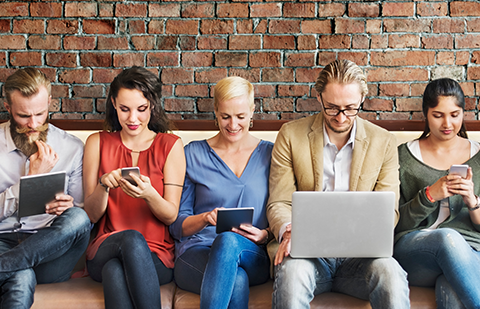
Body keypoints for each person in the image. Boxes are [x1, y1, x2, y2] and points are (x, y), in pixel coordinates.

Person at [267, 59, 409, 309]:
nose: (341, 117)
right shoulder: (290, 135)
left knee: (391, 273)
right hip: (307, 255)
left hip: (361, 258)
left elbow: (389, 210)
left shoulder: (384, 141)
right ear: (319, 98)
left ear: (362, 100)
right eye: (332, 108)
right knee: (291, 275)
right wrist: (289, 230)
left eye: (350, 108)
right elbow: (279, 201)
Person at [83, 67, 186, 309]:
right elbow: (90, 214)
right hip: (105, 246)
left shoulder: (171, 145)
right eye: (124, 109)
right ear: (113, 104)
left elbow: (171, 215)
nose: (132, 119)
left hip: (156, 256)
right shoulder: (97, 142)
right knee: (128, 240)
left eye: (141, 110)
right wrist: (103, 187)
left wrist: (150, 195)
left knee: (115, 271)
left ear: (152, 106)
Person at [170, 76, 273, 309]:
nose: (233, 125)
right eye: (225, 116)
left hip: (251, 253)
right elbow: (177, 225)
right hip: (197, 253)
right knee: (236, 281)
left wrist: (265, 234)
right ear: (215, 111)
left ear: (253, 111)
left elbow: (283, 210)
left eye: (240, 116)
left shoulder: (271, 155)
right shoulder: (193, 154)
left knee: (228, 240)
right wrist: (205, 218)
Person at [0, 68, 91, 308]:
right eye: (23, 116)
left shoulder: (72, 147)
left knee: (79, 218)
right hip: (2, 241)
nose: (33, 124)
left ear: (50, 102)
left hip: (51, 252)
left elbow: (81, 212)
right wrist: (33, 178)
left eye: (40, 113)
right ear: (8, 108)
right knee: (21, 276)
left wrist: (67, 205)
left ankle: (5, 265)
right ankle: (11, 265)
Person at [394, 78, 480, 309]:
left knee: (450, 288)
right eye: (438, 115)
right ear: (426, 114)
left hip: (470, 252)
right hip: (415, 251)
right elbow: (394, 222)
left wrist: (473, 202)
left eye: (454, 114)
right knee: (447, 237)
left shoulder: (479, 156)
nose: (447, 123)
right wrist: (429, 196)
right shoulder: (403, 156)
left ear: (463, 113)